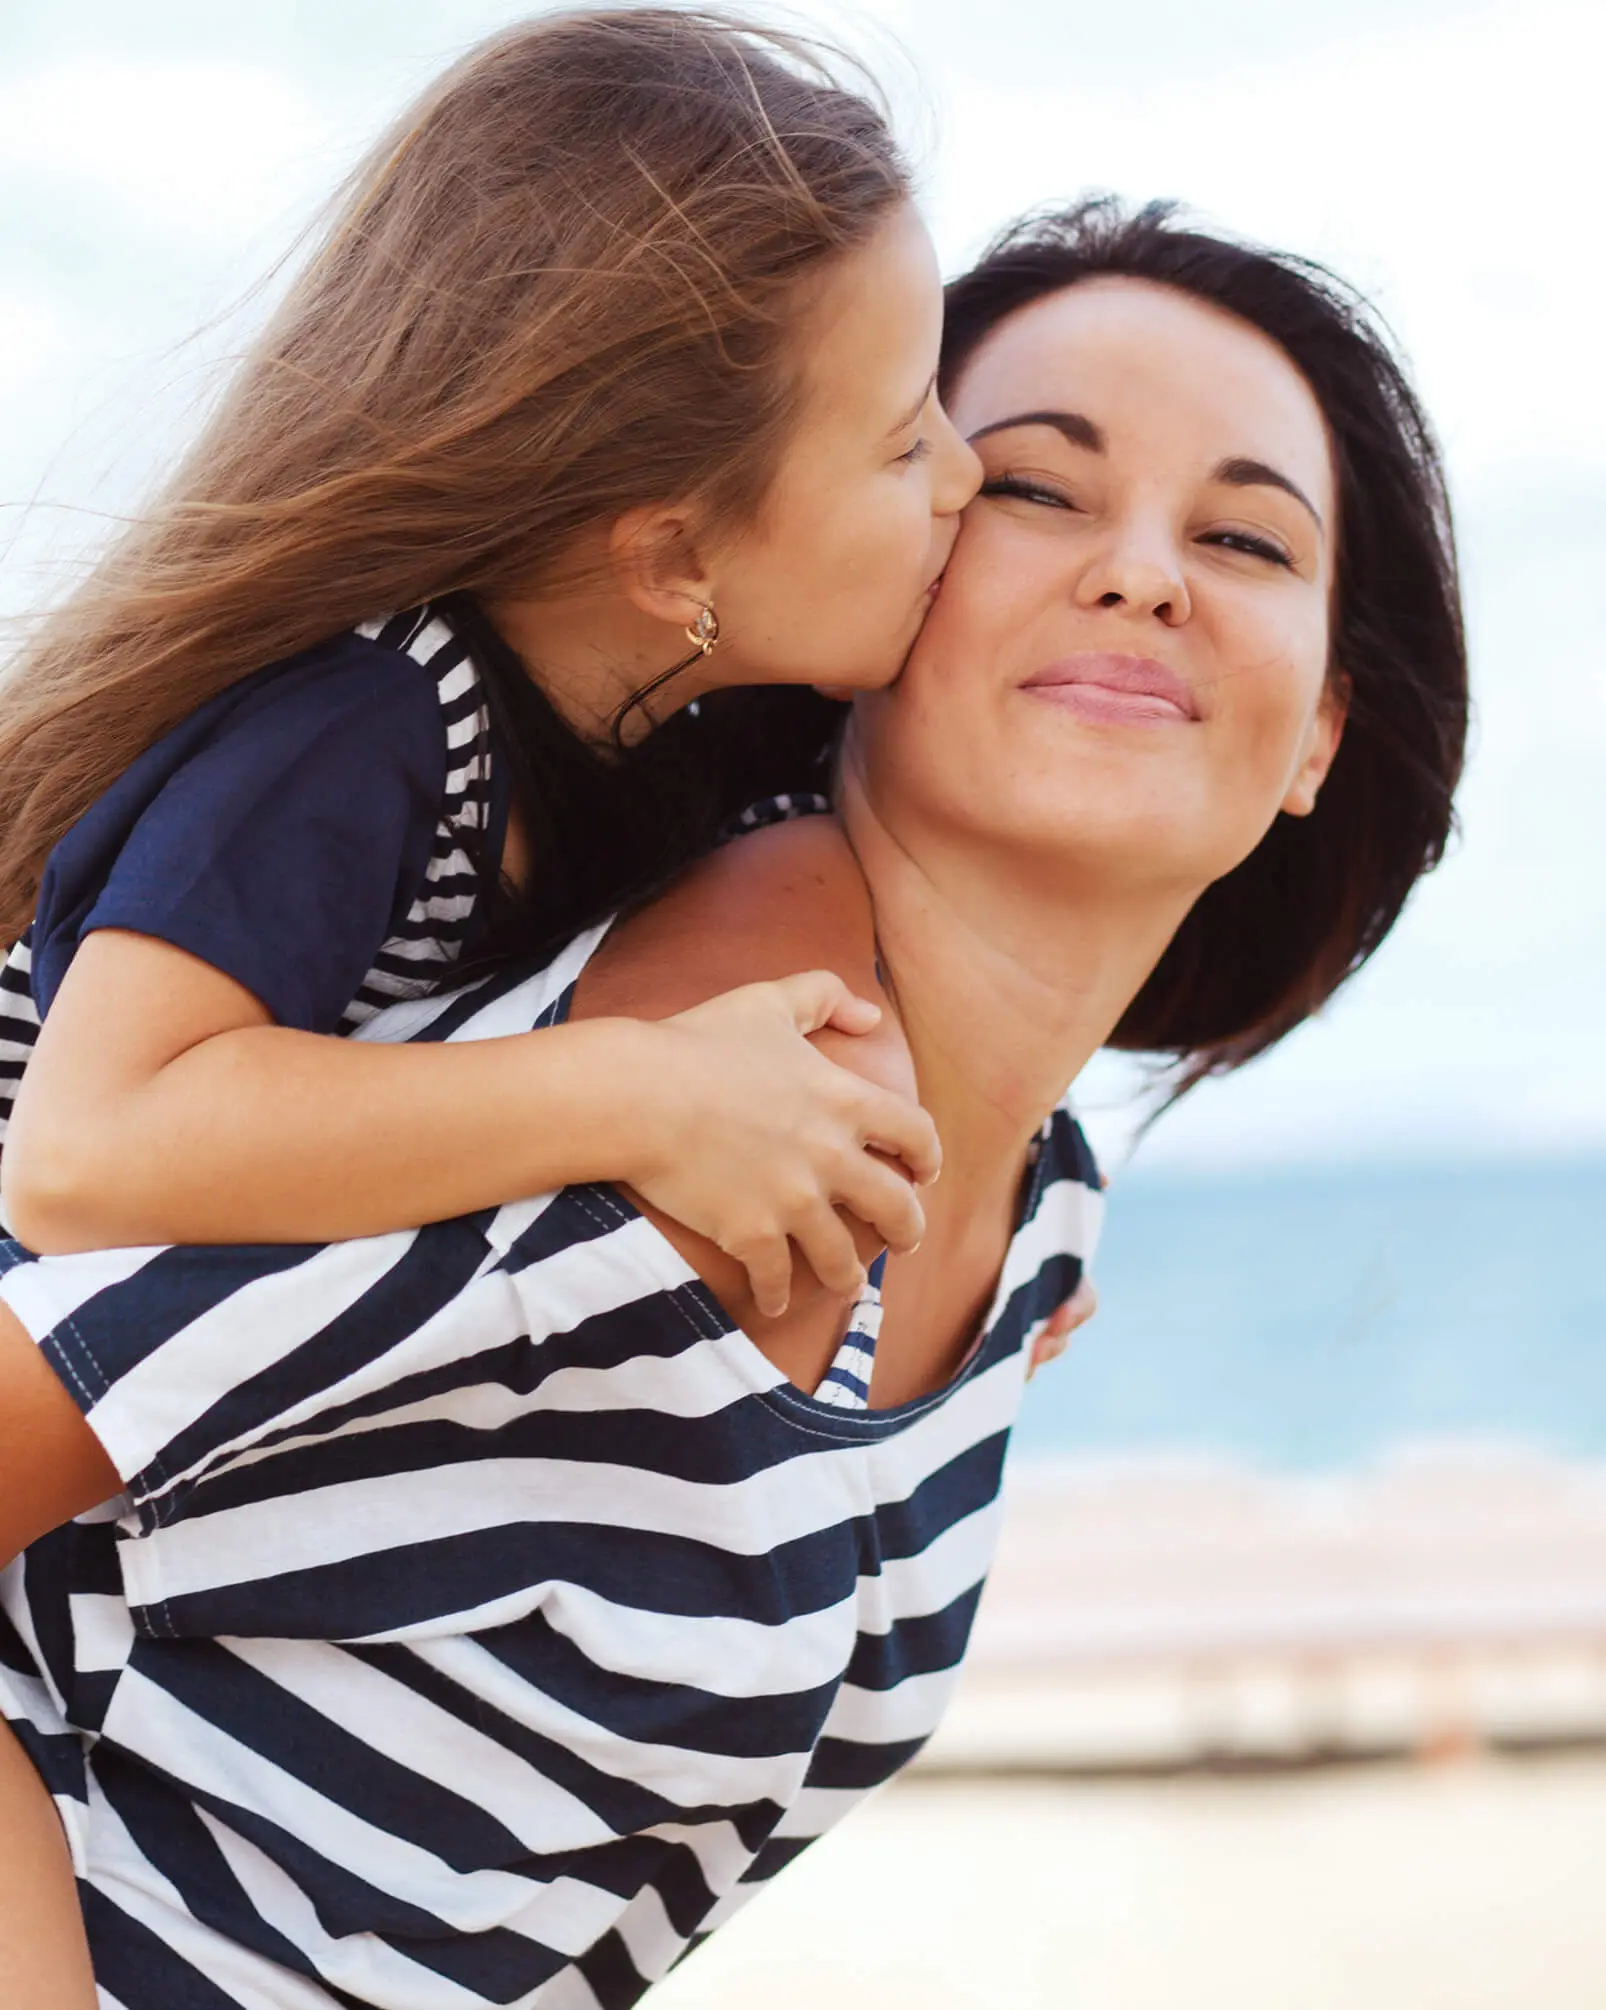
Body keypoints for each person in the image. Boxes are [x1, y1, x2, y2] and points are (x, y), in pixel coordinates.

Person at [0, 198, 1468, 2007]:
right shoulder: (704, 1101)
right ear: (886, 557)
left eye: (1243, 534)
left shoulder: (1035, 1214)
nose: (1145, 571)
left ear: (1320, 724)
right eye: (1029, 487)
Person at [0, 7, 983, 1319]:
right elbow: (84, 1156)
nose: (964, 475)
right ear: (674, 560)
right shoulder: (367, 720)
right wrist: (645, 1089)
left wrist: (988, 1233)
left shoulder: (704, 723)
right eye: (901, 441)